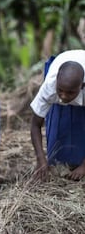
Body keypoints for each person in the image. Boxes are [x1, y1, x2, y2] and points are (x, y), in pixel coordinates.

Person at [30, 49, 85, 181]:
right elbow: (35, 125)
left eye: (70, 93)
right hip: (63, 61)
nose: (63, 97)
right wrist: (41, 160)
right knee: (57, 156)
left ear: (82, 86)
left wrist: (84, 166)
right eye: (60, 90)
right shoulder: (49, 87)